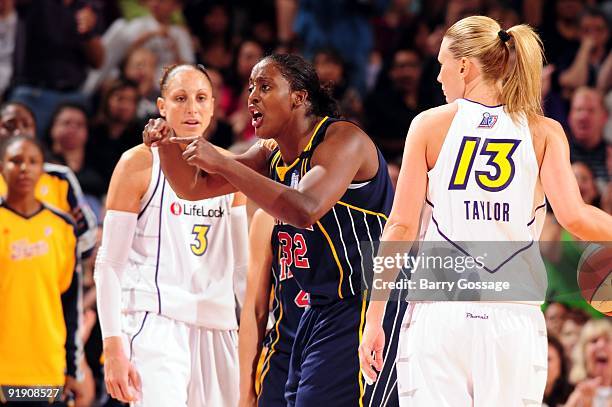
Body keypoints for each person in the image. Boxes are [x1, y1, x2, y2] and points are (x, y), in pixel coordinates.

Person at [359, 15, 612, 406]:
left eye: (443, 65)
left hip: (442, 310)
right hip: (513, 317)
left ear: (464, 66)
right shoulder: (543, 131)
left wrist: (374, 316)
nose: (439, 78)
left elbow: (401, 225)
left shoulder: (429, 125)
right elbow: (576, 217)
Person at [144, 53, 395, 406]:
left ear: (298, 97)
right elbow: (195, 188)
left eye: (265, 87)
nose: (252, 97)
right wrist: (167, 145)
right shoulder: (271, 153)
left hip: (365, 300)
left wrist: (223, 162)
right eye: (250, 88)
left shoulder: (343, 139)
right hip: (316, 308)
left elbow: (304, 209)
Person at [95, 64, 248, 407]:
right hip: (155, 322)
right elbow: (110, 263)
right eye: (180, 98)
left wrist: (256, 331)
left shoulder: (230, 168)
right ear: (162, 106)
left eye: (201, 98)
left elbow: (242, 269)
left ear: (213, 106)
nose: (192, 108)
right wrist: (113, 343)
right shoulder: (138, 162)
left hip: (220, 325)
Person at [0, 136, 83, 405]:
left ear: (42, 170)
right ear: (2, 167)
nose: (24, 168)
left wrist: (72, 370)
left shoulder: (62, 227)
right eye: (15, 161)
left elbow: (70, 304)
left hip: (47, 373)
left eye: (33, 161)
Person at [0, 101, 97, 259]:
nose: (19, 131)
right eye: (9, 125)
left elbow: (88, 233)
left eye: (26, 125)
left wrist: (52, 252)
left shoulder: (59, 177)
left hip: (51, 274)